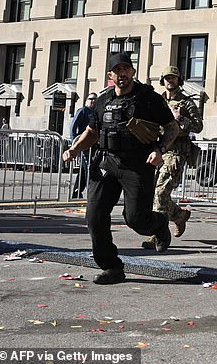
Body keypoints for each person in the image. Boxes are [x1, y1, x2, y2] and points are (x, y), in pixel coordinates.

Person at [62, 53, 180, 285]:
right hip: (106, 163)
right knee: (94, 217)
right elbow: (92, 132)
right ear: (110, 75)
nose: (122, 73)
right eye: (117, 70)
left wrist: (160, 149)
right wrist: (74, 149)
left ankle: (159, 223)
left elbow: (172, 127)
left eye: (126, 69)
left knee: (136, 219)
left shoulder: (149, 98)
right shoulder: (102, 100)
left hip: (138, 164)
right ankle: (112, 267)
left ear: (133, 72)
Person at [141, 66, 203, 250]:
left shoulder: (186, 103)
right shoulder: (157, 100)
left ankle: (157, 234)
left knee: (161, 193)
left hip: (176, 152)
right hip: (157, 150)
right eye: (167, 78)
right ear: (163, 80)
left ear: (179, 80)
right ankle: (179, 215)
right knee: (153, 193)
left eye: (174, 78)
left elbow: (198, 126)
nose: (170, 81)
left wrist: (181, 120)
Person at [70, 93, 98, 199]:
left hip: (93, 144)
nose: (93, 101)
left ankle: (77, 192)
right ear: (86, 100)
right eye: (91, 99)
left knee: (83, 168)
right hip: (82, 144)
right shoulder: (83, 111)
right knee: (88, 167)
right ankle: (91, 191)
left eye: (95, 99)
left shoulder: (95, 112)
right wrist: (75, 143)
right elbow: (73, 126)